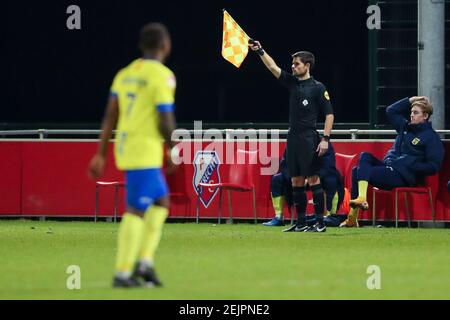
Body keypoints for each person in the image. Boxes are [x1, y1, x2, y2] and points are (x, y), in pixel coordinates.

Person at [88, 23, 177, 287]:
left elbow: (109, 116)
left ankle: (145, 262)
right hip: (144, 149)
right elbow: (165, 117)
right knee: (136, 209)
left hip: (126, 146)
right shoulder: (162, 75)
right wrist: (172, 147)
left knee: (161, 202)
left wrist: (101, 153)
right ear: (164, 45)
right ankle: (123, 271)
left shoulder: (124, 74)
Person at [249, 40, 334, 233]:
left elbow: (329, 114)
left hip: (308, 138)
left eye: (297, 64)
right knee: (296, 180)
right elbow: (272, 67)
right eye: (293, 64)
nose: (293, 67)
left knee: (313, 179)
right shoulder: (292, 83)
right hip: (293, 138)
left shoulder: (318, 88)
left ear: (307, 66)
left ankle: (320, 223)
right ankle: (302, 222)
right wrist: (260, 50)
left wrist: (325, 139)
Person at [340, 96, 444, 227]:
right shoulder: (405, 128)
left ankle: (352, 217)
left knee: (358, 171)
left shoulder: (431, 137)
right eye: (411, 112)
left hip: (404, 176)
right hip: (390, 167)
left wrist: (411, 165)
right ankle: (359, 204)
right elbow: (391, 110)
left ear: (425, 116)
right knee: (364, 156)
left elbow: (434, 166)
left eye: (416, 113)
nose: (411, 115)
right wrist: (410, 100)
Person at [263, 144, 345, 227]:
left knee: (331, 179)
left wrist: (311, 178)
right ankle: (278, 217)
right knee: (277, 179)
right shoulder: (293, 142)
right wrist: (294, 178)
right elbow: (285, 165)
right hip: (297, 177)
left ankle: (330, 216)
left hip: (319, 177)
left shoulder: (323, 144)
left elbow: (327, 166)